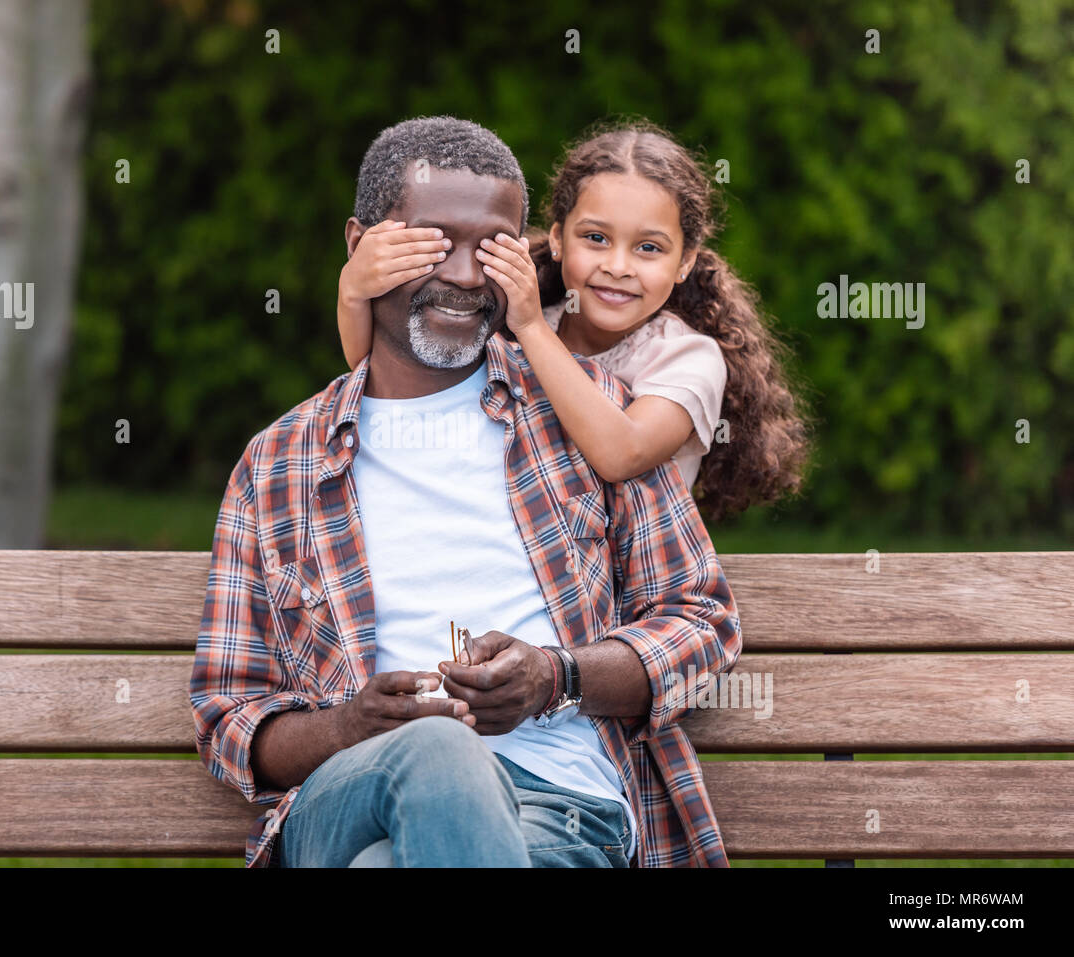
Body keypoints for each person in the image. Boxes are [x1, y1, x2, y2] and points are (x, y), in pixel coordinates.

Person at [190, 115, 742, 868]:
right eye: (432, 243)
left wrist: (556, 675)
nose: (461, 273)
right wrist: (348, 726)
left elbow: (701, 621)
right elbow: (231, 714)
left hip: (563, 811)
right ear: (362, 248)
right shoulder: (280, 464)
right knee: (439, 750)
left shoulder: (584, 416)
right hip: (345, 796)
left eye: (487, 249)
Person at [337, 118, 811, 519]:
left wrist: (529, 329)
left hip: (627, 583)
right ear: (560, 238)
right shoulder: (534, 316)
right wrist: (354, 292)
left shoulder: (686, 357)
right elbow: (383, 376)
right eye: (596, 238)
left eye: (649, 248)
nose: (619, 265)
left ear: (685, 261)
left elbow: (620, 454)